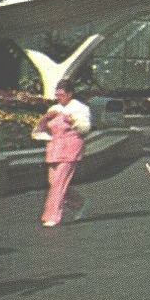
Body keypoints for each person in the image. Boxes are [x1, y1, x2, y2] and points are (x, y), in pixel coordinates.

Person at [33, 82, 93, 227]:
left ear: (70, 94)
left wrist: (72, 121)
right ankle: (80, 203)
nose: (58, 97)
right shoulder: (54, 108)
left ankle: (52, 216)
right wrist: (46, 118)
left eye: (62, 95)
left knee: (59, 182)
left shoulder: (80, 108)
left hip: (71, 147)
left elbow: (85, 128)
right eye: (57, 95)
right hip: (55, 148)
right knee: (54, 182)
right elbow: (44, 128)